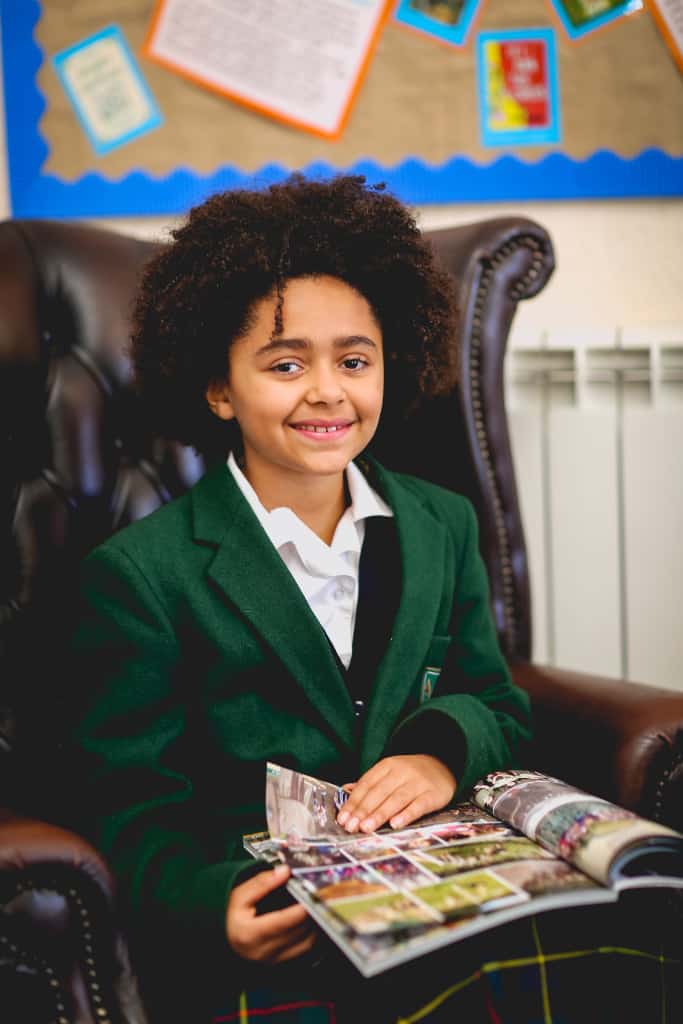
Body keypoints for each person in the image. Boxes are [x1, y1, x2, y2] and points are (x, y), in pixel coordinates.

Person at [70, 176, 677, 1023]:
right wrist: (214, 904)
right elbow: (130, 798)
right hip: (279, 912)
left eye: (354, 361)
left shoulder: (442, 526)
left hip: (447, 892)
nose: (327, 392)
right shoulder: (139, 575)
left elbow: (492, 696)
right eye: (285, 365)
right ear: (218, 388)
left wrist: (437, 754)